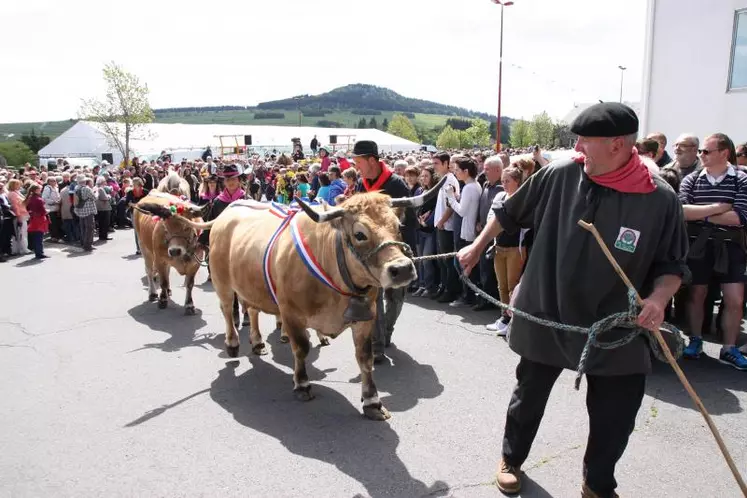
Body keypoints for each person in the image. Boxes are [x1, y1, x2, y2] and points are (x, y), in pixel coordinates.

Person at [457, 102, 688, 497]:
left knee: (617, 412)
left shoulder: (659, 198)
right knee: (528, 395)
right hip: (548, 309)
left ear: (617, 145)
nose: (577, 147)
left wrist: (658, 298)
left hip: (616, 324)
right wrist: (477, 246)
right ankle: (511, 458)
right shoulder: (561, 174)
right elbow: (509, 212)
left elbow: (672, 265)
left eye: (584, 139)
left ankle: (597, 483)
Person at [679, 132, 747, 371]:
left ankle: (729, 348)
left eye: (706, 151)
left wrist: (703, 213)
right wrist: (718, 208)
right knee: (697, 293)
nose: (701, 155)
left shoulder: (742, 179)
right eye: (700, 151)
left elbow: (739, 217)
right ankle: (695, 339)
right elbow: (683, 211)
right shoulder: (692, 179)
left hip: (731, 246)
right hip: (699, 246)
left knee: (735, 299)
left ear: (724, 153)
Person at [353, 140, 410, 363]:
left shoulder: (396, 185)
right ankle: (376, 345)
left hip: (397, 250)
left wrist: (407, 253)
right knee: (373, 296)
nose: (357, 167)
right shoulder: (361, 184)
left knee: (395, 296)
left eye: (359, 162)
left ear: (372, 160)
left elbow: (409, 223)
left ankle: (386, 330)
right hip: (373, 254)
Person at [487, 166, 525, 335]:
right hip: (499, 247)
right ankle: (504, 317)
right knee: (501, 286)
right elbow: (492, 220)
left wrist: (500, 214)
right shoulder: (500, 196)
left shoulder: (523, 200)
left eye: (507, 181)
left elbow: (512, 226)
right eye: (502, 181)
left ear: (517, 182)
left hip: (515, 249)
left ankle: (513, 320)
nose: (504, 184)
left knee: (512, 285)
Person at [445, 156, 482, 307]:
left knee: (462, 264)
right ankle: (468, 294)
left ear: (466, 171)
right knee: (466, 265)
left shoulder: (469, 187)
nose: (456, 172)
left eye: (458, 170)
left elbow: (461, 211)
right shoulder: (474, 185)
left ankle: (468, 295)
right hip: (469, 230)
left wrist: (451, 197)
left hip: (467, 232)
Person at [24, 183, 49, 259]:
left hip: (33, 219)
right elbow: (43, 211)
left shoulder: (30, 198)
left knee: (36, 236)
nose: (40, 190)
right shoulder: (38, 199)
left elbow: (27, 208)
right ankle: (39, 253)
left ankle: (37, 252)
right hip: (39, 219)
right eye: (39, 189)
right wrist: (47, 211)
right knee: (39, 236)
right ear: (36, 190)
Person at [74, 175, 97, 252]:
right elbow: (94, 198)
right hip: (88, 210)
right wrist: (96, 192)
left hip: (80, 210)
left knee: (83, 227)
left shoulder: (76, 188)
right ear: (84, 181)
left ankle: (83, 243)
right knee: (90, 228)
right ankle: (88, 245)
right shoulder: (87, 189)